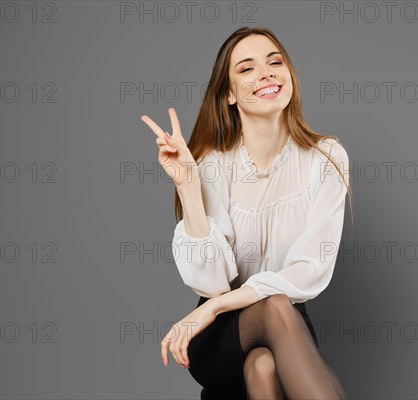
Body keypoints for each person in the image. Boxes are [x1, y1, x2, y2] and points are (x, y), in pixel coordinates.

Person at [141, 26, 353, 400]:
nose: (267, 73)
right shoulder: (211, 164)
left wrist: (211, 308)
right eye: (247, 68)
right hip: (220, 333)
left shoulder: (326, 158)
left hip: (282, 322)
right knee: (274, 307)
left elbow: (310, 270)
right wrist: (189, 187)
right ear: (229, 94)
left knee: (264, 365)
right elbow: (212, 283)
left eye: (275, 62)